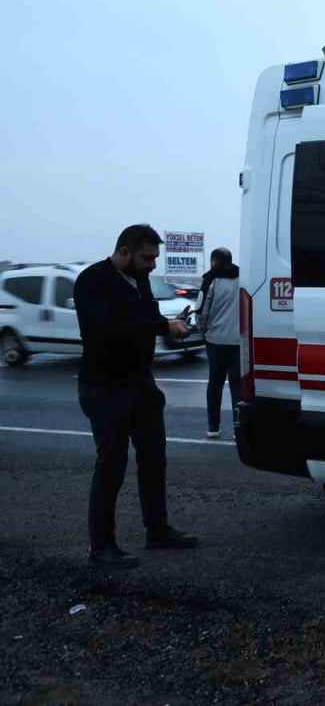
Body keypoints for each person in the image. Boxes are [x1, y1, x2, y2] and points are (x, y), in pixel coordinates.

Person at [75, 224, 200, 569]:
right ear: (125, 251)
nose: (152, 265)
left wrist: (172, 323)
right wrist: (162, 327)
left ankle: (156, 531)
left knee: (154, 458)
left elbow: (148, 318)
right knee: (111, 465)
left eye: (154, 259)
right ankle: (101, 548)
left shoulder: (140, 279)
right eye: (147, 258)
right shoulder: (92, 281)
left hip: (141, 385)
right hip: (104, 387)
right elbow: (107, 328)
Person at [194, 247, 241, 439]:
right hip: (238, 340)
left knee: (215, 384)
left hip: (215, 340)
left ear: (214, 261)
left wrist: (201, 329)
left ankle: (213, 427)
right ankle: (239, 428)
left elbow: (201, 310)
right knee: (238, 386)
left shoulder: (210, 280)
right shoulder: (242, 278)